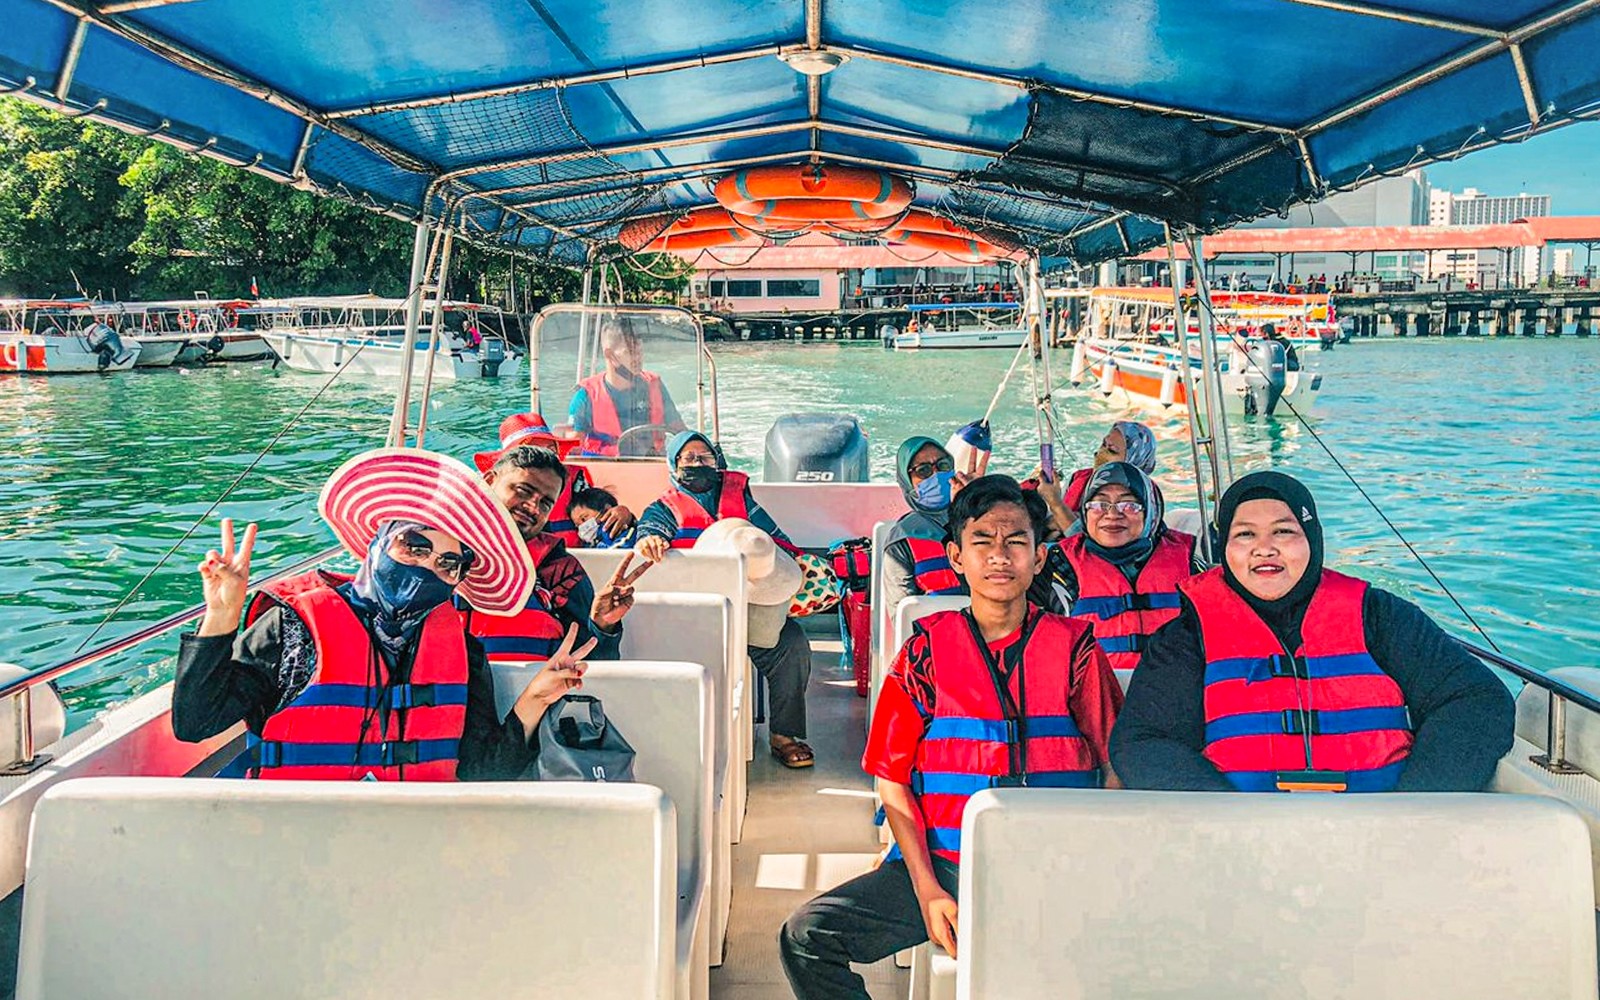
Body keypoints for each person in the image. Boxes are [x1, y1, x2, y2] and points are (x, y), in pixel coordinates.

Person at [779, 476, 1121, 999]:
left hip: (1056, 865)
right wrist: (928, 890)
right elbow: (892, 784)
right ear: (957, 557)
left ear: (1038, 556)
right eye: (982, 542)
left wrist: (1093, 875)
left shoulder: (1077, 652)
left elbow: (1114, 770)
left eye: (1016, 542)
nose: (999, 556)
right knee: (808, 937)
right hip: (948, 867)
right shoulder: (922, 655)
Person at [173, 449, 598, 781]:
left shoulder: (461, 649)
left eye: (449, 563)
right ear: (378, 541)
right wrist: (221, 617)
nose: (428, 566)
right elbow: (195, 722)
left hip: (407, 847)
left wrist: (536, 696)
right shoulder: (293, 628)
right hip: (292, 837)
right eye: (415, 545)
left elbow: (482, 767)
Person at [1110, 471, 1515, 793]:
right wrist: (1228, 821)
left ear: (1313, 539)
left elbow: (1476, 699)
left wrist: (1415, 806)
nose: (1264, 548)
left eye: (1284, 531)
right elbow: (1142, 741)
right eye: (1245, 534)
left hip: (1386, 833)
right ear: (1224, 548)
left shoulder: (1379, 616)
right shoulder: (1185, 638)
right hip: (1242, 842)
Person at [634, 430, 814, 768]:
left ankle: (783, 735)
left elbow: (779, 540)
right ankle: (690, 735)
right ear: (674, 467)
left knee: (793, 644)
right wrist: (650, 540)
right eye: (688, 458)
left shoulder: (742, 500)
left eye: (705, 457)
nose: (698, 464)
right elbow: (650, 529)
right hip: (695, 617)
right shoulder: (664, 507)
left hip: (753, 611)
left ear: (717, 463)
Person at [473, 443, 649, 664]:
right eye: (523, 491)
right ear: (489, 482)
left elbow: (595, 666)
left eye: (546, 503)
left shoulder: (564, 572)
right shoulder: (441, 555)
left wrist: (602, 625)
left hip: (543, 695)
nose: (533, 507)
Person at [1036, 462, 1203, 673]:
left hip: (1173, 695)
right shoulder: (1058, 566)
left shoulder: (1191, 566)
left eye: (1129, 505)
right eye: (1099, 505)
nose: (1112, 514)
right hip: (1095, 698)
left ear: (1151, 511)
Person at [475, 411, 636, 548]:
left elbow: (598, 510)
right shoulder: (484, 495)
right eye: (533, 452)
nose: (544, 457)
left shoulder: (575, 481)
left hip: (573, 559)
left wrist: (624, 514)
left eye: (550, 450)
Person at [882, 436, 983, 612]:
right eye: (923, 470)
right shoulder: (902, 539)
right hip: (937, 634)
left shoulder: (983, 516)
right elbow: (901, 614)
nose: (936, 475)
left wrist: (974, 501)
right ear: (907, 482)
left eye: (943, 465)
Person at [568, 320, 687, 457]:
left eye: (639, 351)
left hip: (652, 466)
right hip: (605, 470)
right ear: (609, 355)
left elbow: (679, 429)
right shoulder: (586, 395)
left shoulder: (655, 386)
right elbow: (574, 445)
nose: (638, 358)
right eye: (630, 352)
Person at [1037, 420, 1158, 536]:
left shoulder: (1145, 499)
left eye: (1111, 450)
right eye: (1103, 444)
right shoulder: (1079, 479)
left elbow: (1092, 544)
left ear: (1134, 460)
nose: (1100, 453)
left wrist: (1055, 503)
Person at [569, 486, 637, 549]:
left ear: (606, 510)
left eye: (584, 518)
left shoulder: (625, 532)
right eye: (578, 525)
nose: (582, 526)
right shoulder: (589, 544)